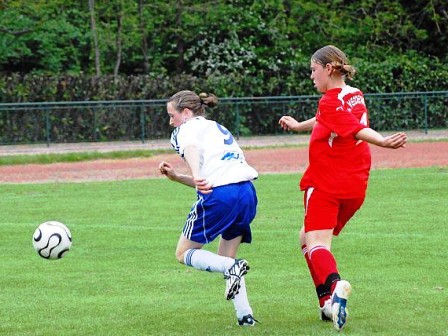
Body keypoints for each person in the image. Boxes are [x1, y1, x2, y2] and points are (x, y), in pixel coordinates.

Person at [278, 45, 407, 331]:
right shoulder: (353, 94)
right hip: (355, 185)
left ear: (329, 69)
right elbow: (334, 119)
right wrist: (300, 126)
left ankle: (335, 287)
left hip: (326, 182)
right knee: (305, 238)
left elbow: (352, 127)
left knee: (317, 245)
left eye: (313, 70)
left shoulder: (328, 102)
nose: (311, 76)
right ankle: (326, 304)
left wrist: (382, 141)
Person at [158, 90, 259, 327]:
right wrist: (177, 177)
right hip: (246, 193)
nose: (170, 121)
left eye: (172, 115)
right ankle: (245, 318)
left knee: (183, 253)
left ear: (186, 113)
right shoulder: (216, 127)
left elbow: (192, 149)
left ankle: (233, 269)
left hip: (221, 195)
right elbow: (212, 176)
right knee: (225, 261)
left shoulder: (184, 129)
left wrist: (194, 172)